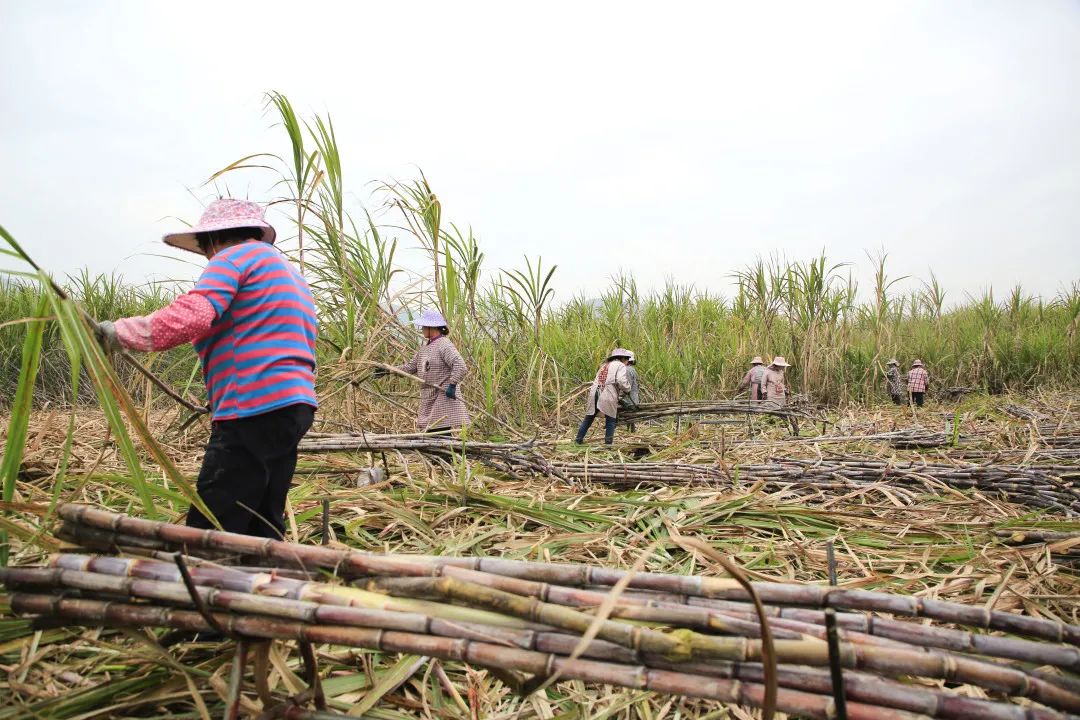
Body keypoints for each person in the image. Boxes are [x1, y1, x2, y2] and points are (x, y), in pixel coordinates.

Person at [95, 199, 317, 538]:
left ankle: (203, 578)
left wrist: (121, 333)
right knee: (262, 517)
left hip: (251, 405)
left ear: (213, 240)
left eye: (204, 250)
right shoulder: (290, 275)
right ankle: (266, 579)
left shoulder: (233, 257)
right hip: (294, 407)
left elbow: (194, 314)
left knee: (213, 521)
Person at [378, 309, 470, 433]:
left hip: (443, 394)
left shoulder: (444, 345)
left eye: (424, 327)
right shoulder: (425, 348)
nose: (422, 329)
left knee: (438, 430)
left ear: (432, 328)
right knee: (433, 431)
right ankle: (444, 451)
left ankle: (446, 451)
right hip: (429, 395)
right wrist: (388, 370)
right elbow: (410, 367)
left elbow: (460, 365)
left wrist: (452, 385)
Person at [575, 348, 632, 445]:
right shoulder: (620, 365)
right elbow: (621, 380)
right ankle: (608, 445)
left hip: (595, 391)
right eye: (626, 359)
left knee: (589, 417)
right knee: (610, 419)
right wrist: (627, 389)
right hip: (607, 392)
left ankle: (578, 440)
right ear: (622, 358)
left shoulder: (604, 365)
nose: (627, 362)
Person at [620, 350, 641, 432]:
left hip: (629, 399)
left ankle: (631, 429)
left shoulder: (627, 370)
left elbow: (627, 387)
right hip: (633, 397)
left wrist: (619, 396)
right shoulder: (631, 369)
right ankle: (631, 428)